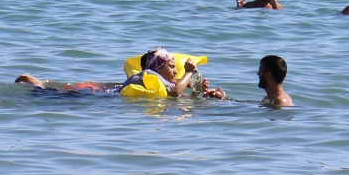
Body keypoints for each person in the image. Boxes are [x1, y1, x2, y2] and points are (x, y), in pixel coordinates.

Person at [15, 49, 224, 100]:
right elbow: (176, 92)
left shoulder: (159, 79)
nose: (176, 70)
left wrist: (198, 92)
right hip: (96, 96)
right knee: (51, 97)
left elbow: (178, 92)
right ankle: (35, 84)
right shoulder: (150, 75)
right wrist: (188, 72)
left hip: (103, 92)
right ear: (157, 68)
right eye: (171, 67)